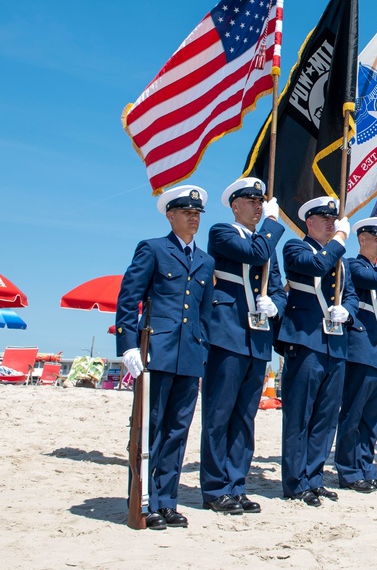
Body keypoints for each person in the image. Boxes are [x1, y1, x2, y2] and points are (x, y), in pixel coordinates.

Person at [116, 185, 215, 530]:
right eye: (186, 213)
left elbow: (205, 315)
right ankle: (143, 501)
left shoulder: (206, 261)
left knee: (177, 430)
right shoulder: (153, 249)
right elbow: (129, 299)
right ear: (170, 215)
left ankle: (167, 501)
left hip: (189, 355)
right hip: (156, 353)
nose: (193, 219)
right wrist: (128, 345)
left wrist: (204, 352)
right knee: (151, 428)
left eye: (197, 214)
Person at [201, 178, 286, 516]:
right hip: (228, 333)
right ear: (235, 205)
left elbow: (277, 285)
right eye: (251, 201)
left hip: (257, 339)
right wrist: (273, 223)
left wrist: (275, 305)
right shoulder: (222, 232)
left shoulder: (266, 242)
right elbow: (257, 253)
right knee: (218, 416)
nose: (258, 206)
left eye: (261, 201)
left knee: (244, 418)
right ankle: (214, 489)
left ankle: (236, 485)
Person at [280, 197, 355, 507]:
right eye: (324, 218)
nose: (331, 223)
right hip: (306, 340)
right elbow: (316, 265)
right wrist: (339, 240)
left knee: (325, 417)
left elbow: (350, 296)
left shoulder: (341, 262)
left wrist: (347, 313)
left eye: (333, 219)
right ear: (308, 222)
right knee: (300, 416)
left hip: (334, 344)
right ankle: (296, 482)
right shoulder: (295, 248)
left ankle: (314, 477)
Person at [335, 217, 377, 493]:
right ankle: (349, 471)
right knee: (353, 414)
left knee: (372, 417)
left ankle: (366, 468)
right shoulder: (355, 266)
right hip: (361, 349)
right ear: (362, 239)